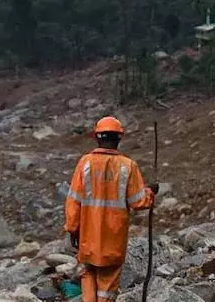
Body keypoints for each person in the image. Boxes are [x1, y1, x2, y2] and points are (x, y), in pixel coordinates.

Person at [64, 116, 158, 302]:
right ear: (119, 139)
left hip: (87, 239)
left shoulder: (85, 163)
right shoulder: (128, 166)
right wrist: (150, 192)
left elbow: (74, 200)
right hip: (113, 241)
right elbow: (138, 202)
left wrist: (72, 228)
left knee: (87, 274)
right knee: (107, 286)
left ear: (97, 138)